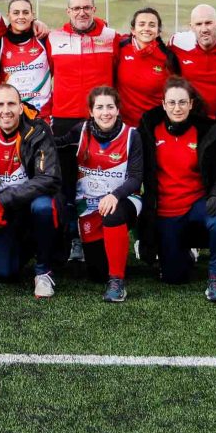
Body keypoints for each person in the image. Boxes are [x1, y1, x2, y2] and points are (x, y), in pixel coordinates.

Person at [140, 78, 216, 302]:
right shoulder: (148, 130)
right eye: (171, 102)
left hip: (196, 204)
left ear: (191, 104)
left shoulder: (207, 132)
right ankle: (182, 256)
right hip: (164, 210)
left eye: (183, 102)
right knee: (174, 277)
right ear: (163, 105)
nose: (177, 108)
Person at [0, 84, 63, 298]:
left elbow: (49, 178)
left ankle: (43, 270)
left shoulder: (38, 129)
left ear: (21, 108)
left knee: (43, 208)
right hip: (4, 210)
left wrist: (3, 200)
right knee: (3, 274)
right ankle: (31, 243)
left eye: (11, 103)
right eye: (0, 105)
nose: (6, 110)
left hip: (31, 201)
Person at [57, 87, 143, 302]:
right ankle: (110, 264)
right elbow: (55, 144)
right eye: (100, 107)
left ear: (118, 109)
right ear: (91, 111)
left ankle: (117, 282)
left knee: (113, 214)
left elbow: (135, 178)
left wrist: (115, 195)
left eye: (110, 107)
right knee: (96, 272)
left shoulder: (132, 135)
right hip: (88, 205)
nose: (106, 112)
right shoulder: (80, 131)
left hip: (124, 198)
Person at [44, 0, 118, 137]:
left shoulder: (112, 37)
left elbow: (118, 73)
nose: (82, 12)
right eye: (76, 8)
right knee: (66, 160)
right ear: (68, 11)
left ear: (94, 9)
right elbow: (46, 77)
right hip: (63, 117)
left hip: (101, 115)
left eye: (86, 8)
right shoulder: (53, 37)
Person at [115, 7, 181, 128]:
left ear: (158, 31)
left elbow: (175, 92)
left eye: (152, 25)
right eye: (141, 24)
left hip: (154, 126)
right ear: (133, 30)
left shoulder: (167, 57)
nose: (146, 28)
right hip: (124, 126)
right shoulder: (120, 48)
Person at [0, 0, 53, 118]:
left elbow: (55, 70)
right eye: (16, 13)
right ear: (8, 16)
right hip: (13, 115)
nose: (21, 17)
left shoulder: (44, 39)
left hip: (42, 115)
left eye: (25, 12)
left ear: (32, 15)